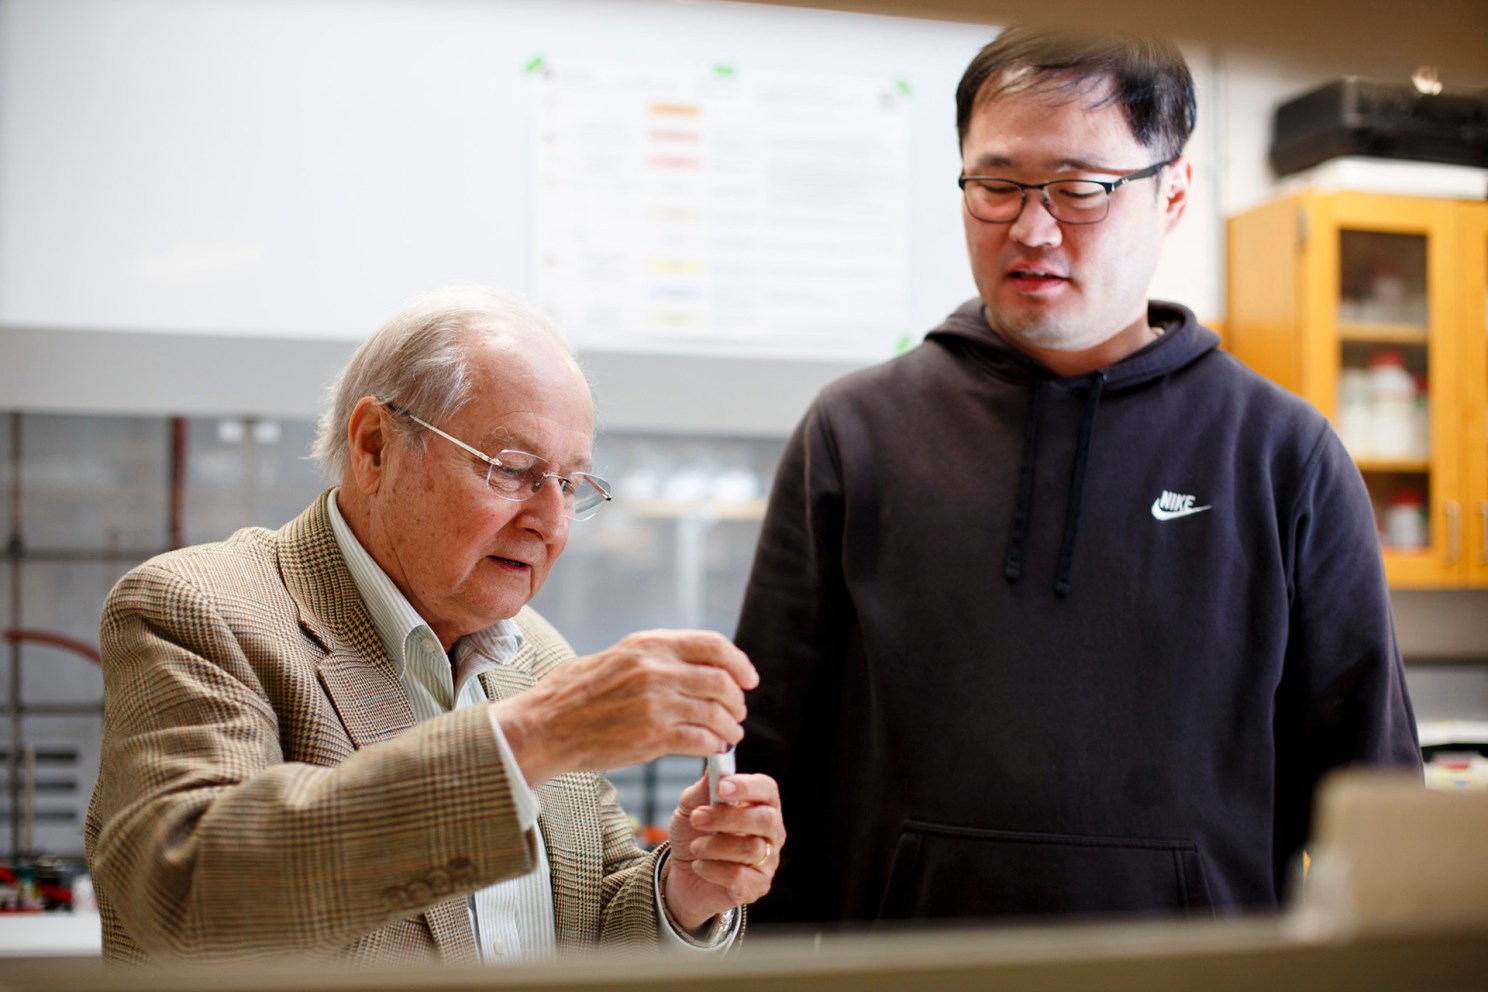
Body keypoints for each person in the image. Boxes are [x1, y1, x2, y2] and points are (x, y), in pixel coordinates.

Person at [733, 27, 1419, 928]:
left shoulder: (1282, 455)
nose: (1032, 228)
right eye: (997, 185)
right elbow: (768, 767)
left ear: (1174, 192)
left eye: (1080, 187)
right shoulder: (854, 433)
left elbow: (1375, 798)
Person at [85, 286, 785, 964]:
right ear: (375, 447)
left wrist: (682, 894)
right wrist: (537, 735)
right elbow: (190, 902)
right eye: (513, 469)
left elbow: (586, 925)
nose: (550, 522)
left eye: (570, 484)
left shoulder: (539, 654)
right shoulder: (200, 608)